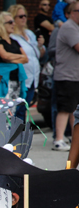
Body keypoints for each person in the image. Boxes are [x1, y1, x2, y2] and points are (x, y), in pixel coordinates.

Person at [8, 4, 45, 122]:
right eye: (20, 16)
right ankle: (15, 137)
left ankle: (20, 136)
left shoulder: (29, 33)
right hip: (19, 79)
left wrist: (40, 46)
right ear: (13, 18)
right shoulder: (11, 36)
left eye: (25, 15)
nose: (24, 18)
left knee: (24, 109)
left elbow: (38, 55)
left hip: (32, 79)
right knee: (17, 110)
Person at [53, 0, 79, 151]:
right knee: (65, 108)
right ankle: (59, 139)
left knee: (74, 110)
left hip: (74, 76)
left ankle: (74, 138)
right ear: (73, 13)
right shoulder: (70, 27)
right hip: (67, 76)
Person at [0, 11, 28, 111]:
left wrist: (12, 57)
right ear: (2, 24)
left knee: (13, 109)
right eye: (10, 22)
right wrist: (18, 57)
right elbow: (4, 56)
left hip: (16, 80)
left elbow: (25, 58)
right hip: (3, 80)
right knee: (3, 109)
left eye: (13, 22)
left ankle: (11, 127)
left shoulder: (15, 41)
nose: (13, 24)